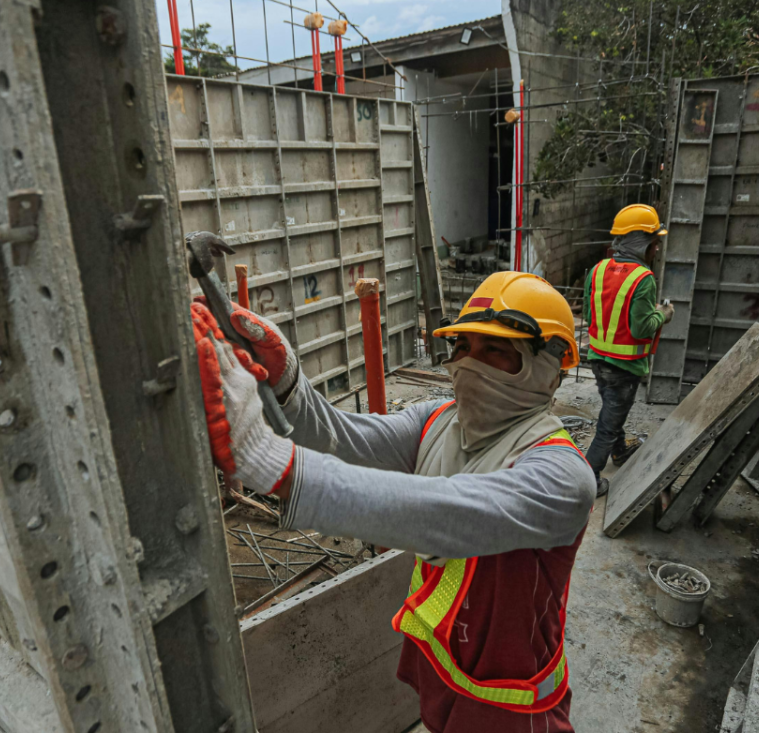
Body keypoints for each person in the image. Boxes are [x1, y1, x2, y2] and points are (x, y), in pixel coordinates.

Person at [191, 271, 596, 733]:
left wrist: (271, 462)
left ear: (550, 367)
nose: (468, 364)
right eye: (462, 347)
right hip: (443, 680)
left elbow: (450, 516)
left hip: (516, 712)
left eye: (496, 352)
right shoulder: (438, 421)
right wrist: (287, 384)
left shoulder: (563, 477)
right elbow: (345, 441)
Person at [582, 204, 675, 496]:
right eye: (655, 242)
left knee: (612, 412)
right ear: (641, 242)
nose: (657, 249)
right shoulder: (643, 279)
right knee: (607, 426)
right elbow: (640, 329)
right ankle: (588, 478)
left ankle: (620, 451)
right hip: (625, 366)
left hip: (597, 359)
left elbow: (588, 313)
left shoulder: (597, 270)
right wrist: (664, 314)